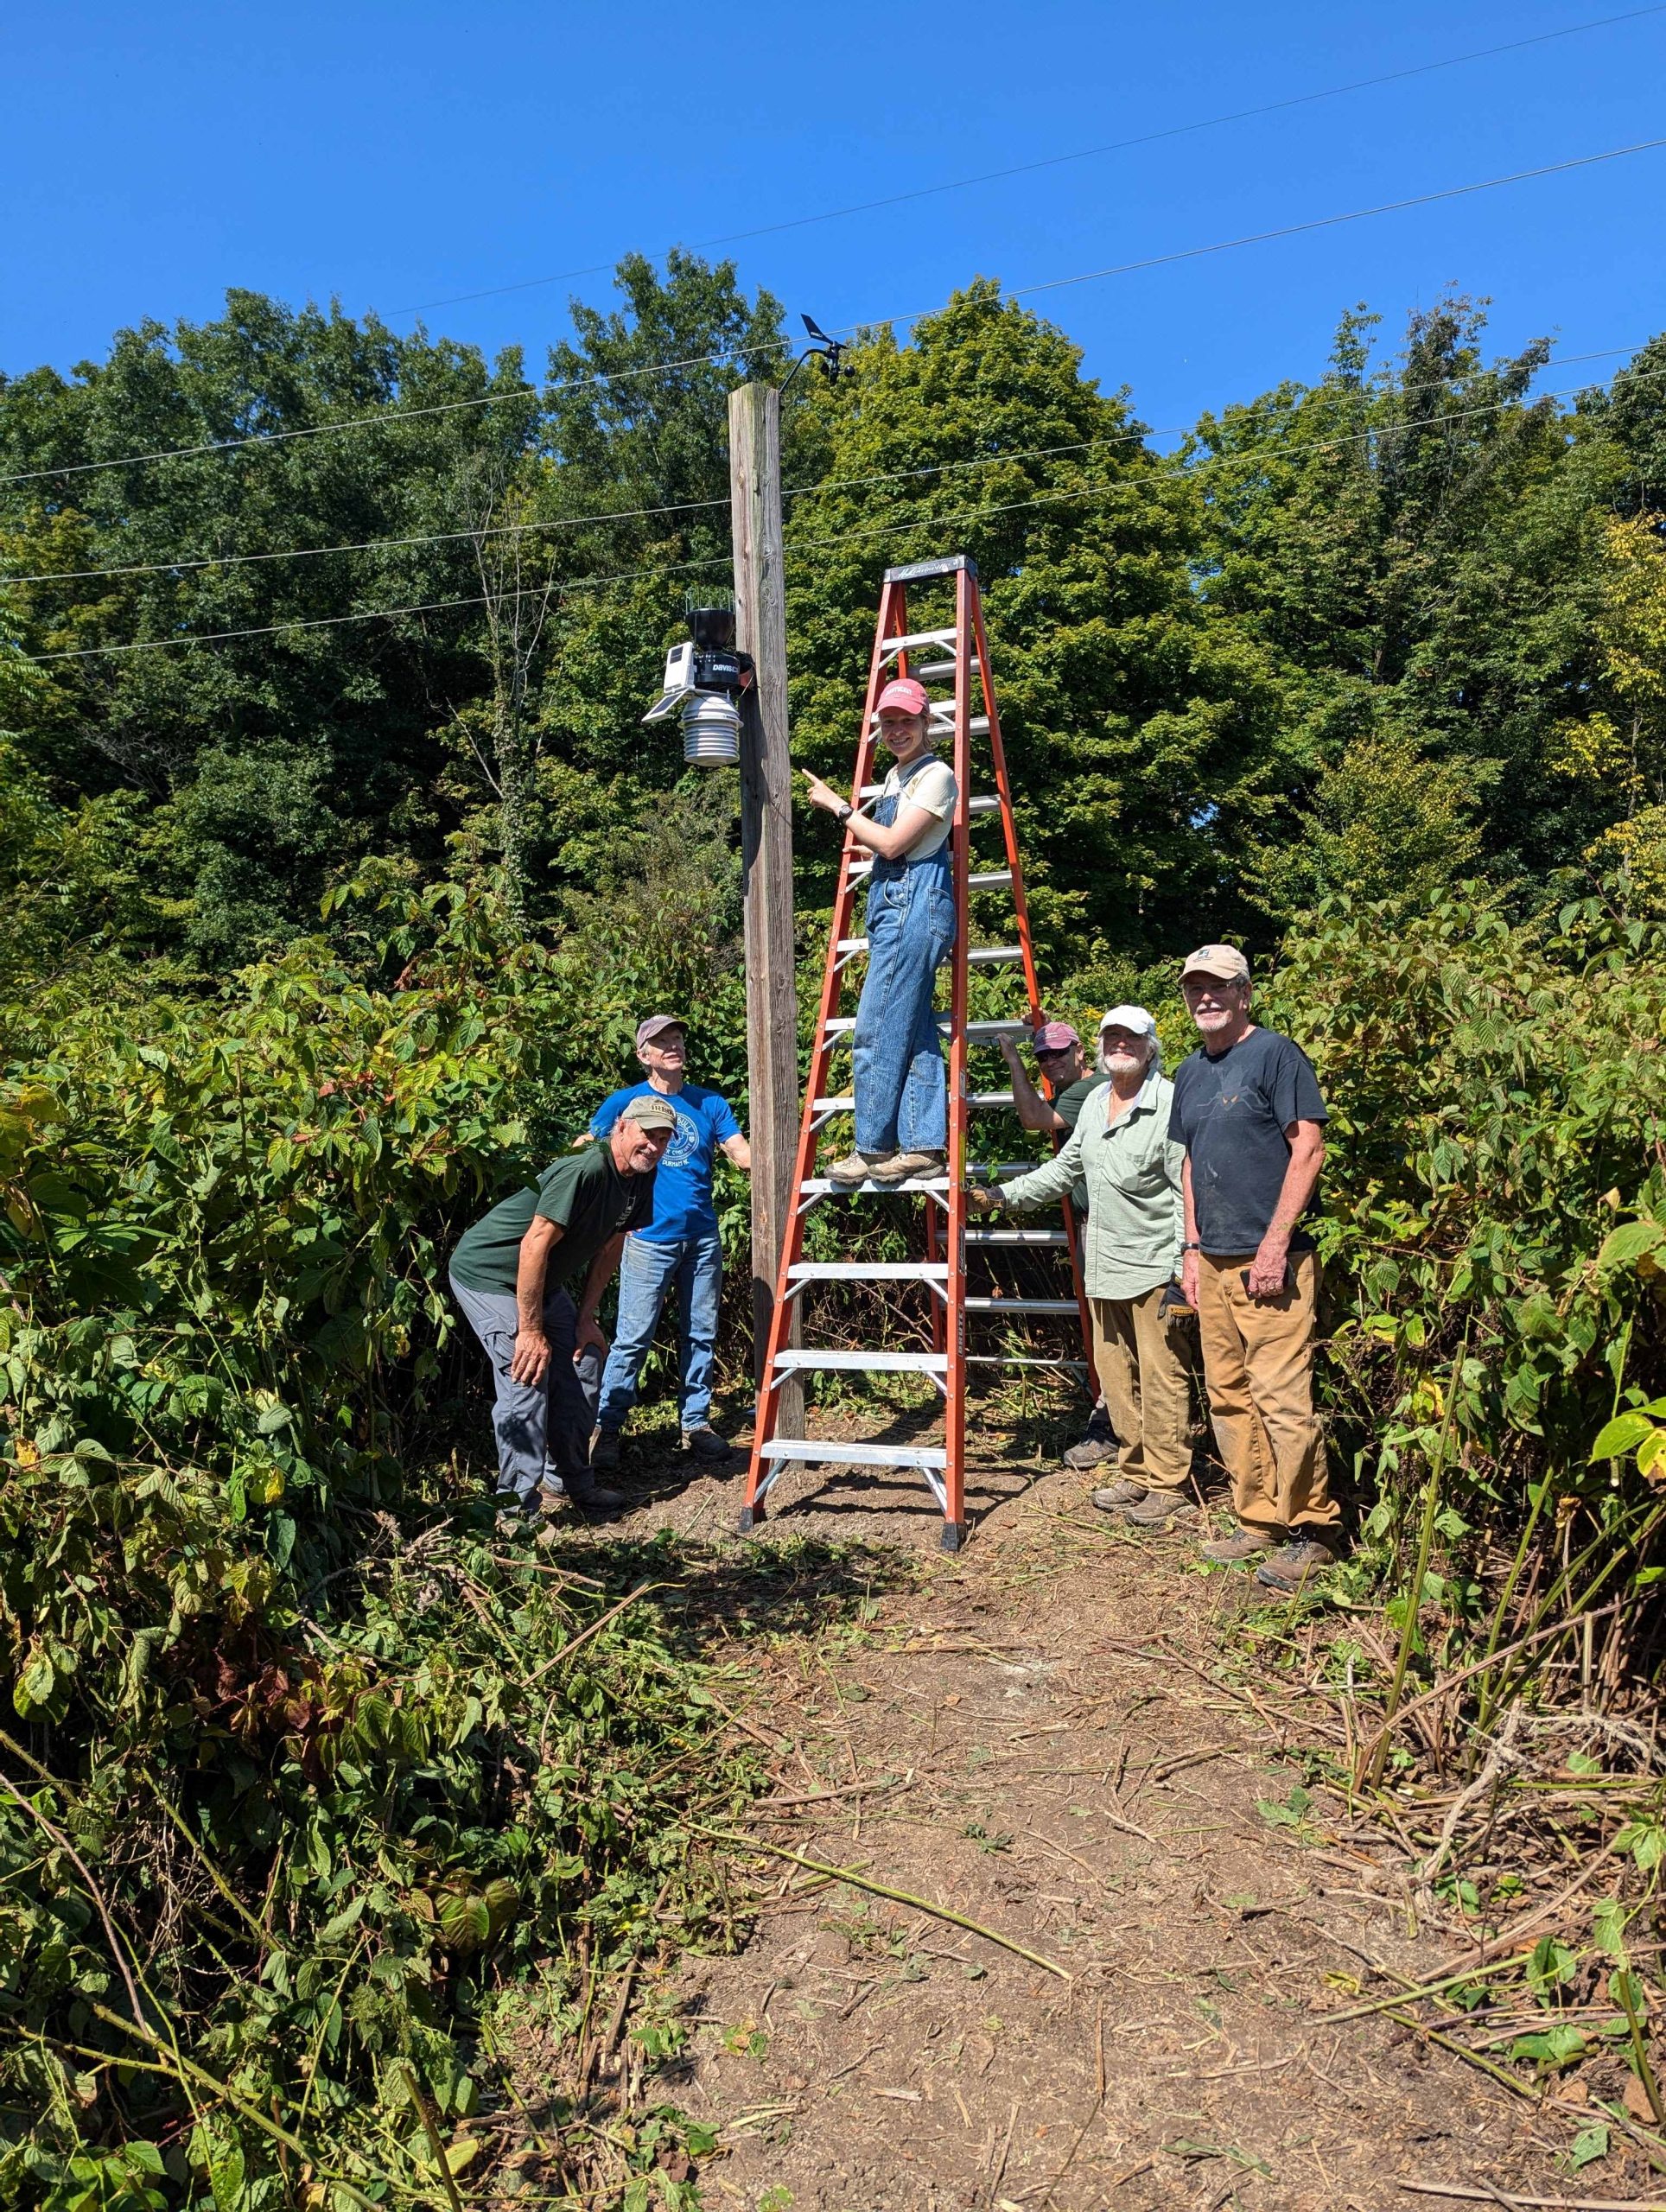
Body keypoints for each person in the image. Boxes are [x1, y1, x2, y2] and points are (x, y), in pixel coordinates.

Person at [970, 1007, 1193, 1524]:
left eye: (1131, 1038)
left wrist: (1186, 1264)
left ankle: (1168, 1483)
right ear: (1098, 1046)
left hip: (1156, 1263)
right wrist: (1002, 1194)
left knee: (1162, 1375)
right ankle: (1135, 1472)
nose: (1121, 1045)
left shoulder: (1170, 1102)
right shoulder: (1094, 1102)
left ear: (1150, 1045)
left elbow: (1187, 1187)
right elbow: (1064, 1170)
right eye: (1111, 1036)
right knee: (1116, 1376)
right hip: (1105, 1263)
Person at [1168, 944, 1342, 1594]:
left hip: (1271, 1261)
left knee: (1282, 1396)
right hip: (1211, 1261)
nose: (1205, 998)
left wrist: (1275, 1244)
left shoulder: (1276, 1054)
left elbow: (1309, 1148)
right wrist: (1189, 1250)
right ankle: (1259, 1517)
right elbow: (1189, 1166)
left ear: (1245, 994)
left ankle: (1312, 1529)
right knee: (1228, 1393)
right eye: (1195, 989)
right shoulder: (1190, 1072)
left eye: (1218, 987)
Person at [448, 1096, 675, 1529]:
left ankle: (569, 1481)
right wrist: (531, 1330)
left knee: (585, 1358)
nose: (654, 1146)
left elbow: (612, 1245)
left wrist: (585, 1317)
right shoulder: (585, 1170)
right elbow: (532, 1244)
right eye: (648, 1134)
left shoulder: (641, 1178)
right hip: (490, 1275)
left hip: (542, 1281)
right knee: (527, 1373)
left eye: (663, 1139)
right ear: (622, 1128)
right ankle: (515, 1511)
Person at [802, 675, 958, 1185]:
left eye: (906, 722)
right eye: (888, 723)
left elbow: (891, 845)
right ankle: (923, 1145)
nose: (896, 731)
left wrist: (839, 808)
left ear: (925, 723)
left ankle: (871, 1149)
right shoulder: (897, 776)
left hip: (915, 905)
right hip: (896, 905)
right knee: (911, 1029)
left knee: (872, 1030)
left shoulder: (936, 775)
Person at [588, 1015, 752, 1467]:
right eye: (661, 1042)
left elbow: (740, 1154)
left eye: (677, 1038)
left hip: (701, 1237)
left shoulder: (709, 1103)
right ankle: (607, 1428)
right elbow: (590, 1151)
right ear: (643, 1055)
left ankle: (695, 1423)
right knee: (633, 1337)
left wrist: (788, 1157)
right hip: (647, 1237)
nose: (673, 1046)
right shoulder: (624, 1104)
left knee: (700, 1333)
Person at [999, 1018, 1115, 1470]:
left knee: (1111, 1327)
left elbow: (1034, 1119)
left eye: (1060, 1053)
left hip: (1107, 1225)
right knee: (1108, 1324)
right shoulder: (1084, 1089)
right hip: (1094, 1219)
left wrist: (1013, 1061)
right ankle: (1117, 1423)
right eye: (1043, 1056)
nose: (1052, 1062)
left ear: (1080, 1052)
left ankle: (1111, 1426)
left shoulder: (1089, 1090)